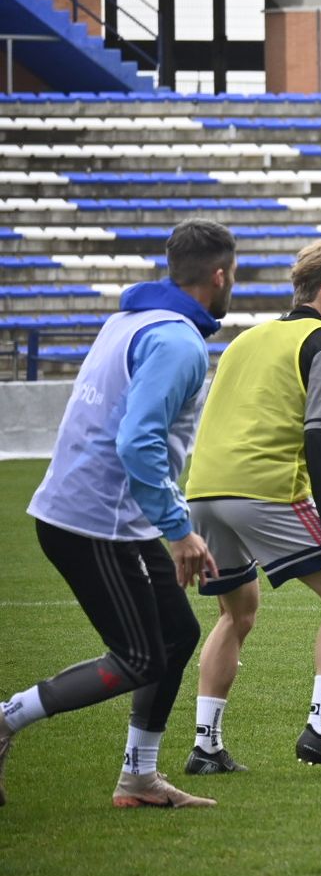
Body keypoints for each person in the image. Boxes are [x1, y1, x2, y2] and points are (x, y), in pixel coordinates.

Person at [2, 219, 236, 809]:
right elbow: (138, 442)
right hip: (92, 522)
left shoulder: (128, 318)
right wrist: (179, 530)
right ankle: (6, 717)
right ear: (219, 275)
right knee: (137, 656)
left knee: (179, 633)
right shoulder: (178, 340)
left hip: (108, 516)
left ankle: (138, 777)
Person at [182, 238, 321, 777]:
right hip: (262, 490)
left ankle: (206, 746)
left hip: (202, 492)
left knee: (236, 613)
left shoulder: (246, 338)